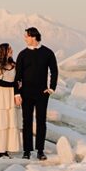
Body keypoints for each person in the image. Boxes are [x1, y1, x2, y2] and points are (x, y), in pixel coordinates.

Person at [14, 26, 58, 160]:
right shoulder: (22, 54)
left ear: (33, 37)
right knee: (26, 122)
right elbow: (18, 76)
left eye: (26, 36)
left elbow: (54, 71)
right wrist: (17, 93)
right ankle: (27, 151)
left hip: (42, 93)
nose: (24, 38)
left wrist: (51, 88)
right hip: (26, 93)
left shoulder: (48, 53)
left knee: (41, 121)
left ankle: (40, 151)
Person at [0, 43, 21, 158]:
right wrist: (14, 84)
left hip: (11, 95)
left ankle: (6, 149)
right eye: (9, 49)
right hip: (0, 96)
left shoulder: (14, 65)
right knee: (0, 122)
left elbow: (19, 81)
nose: (12, 50)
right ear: (4, 51)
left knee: (10, 122)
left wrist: (17, 91)